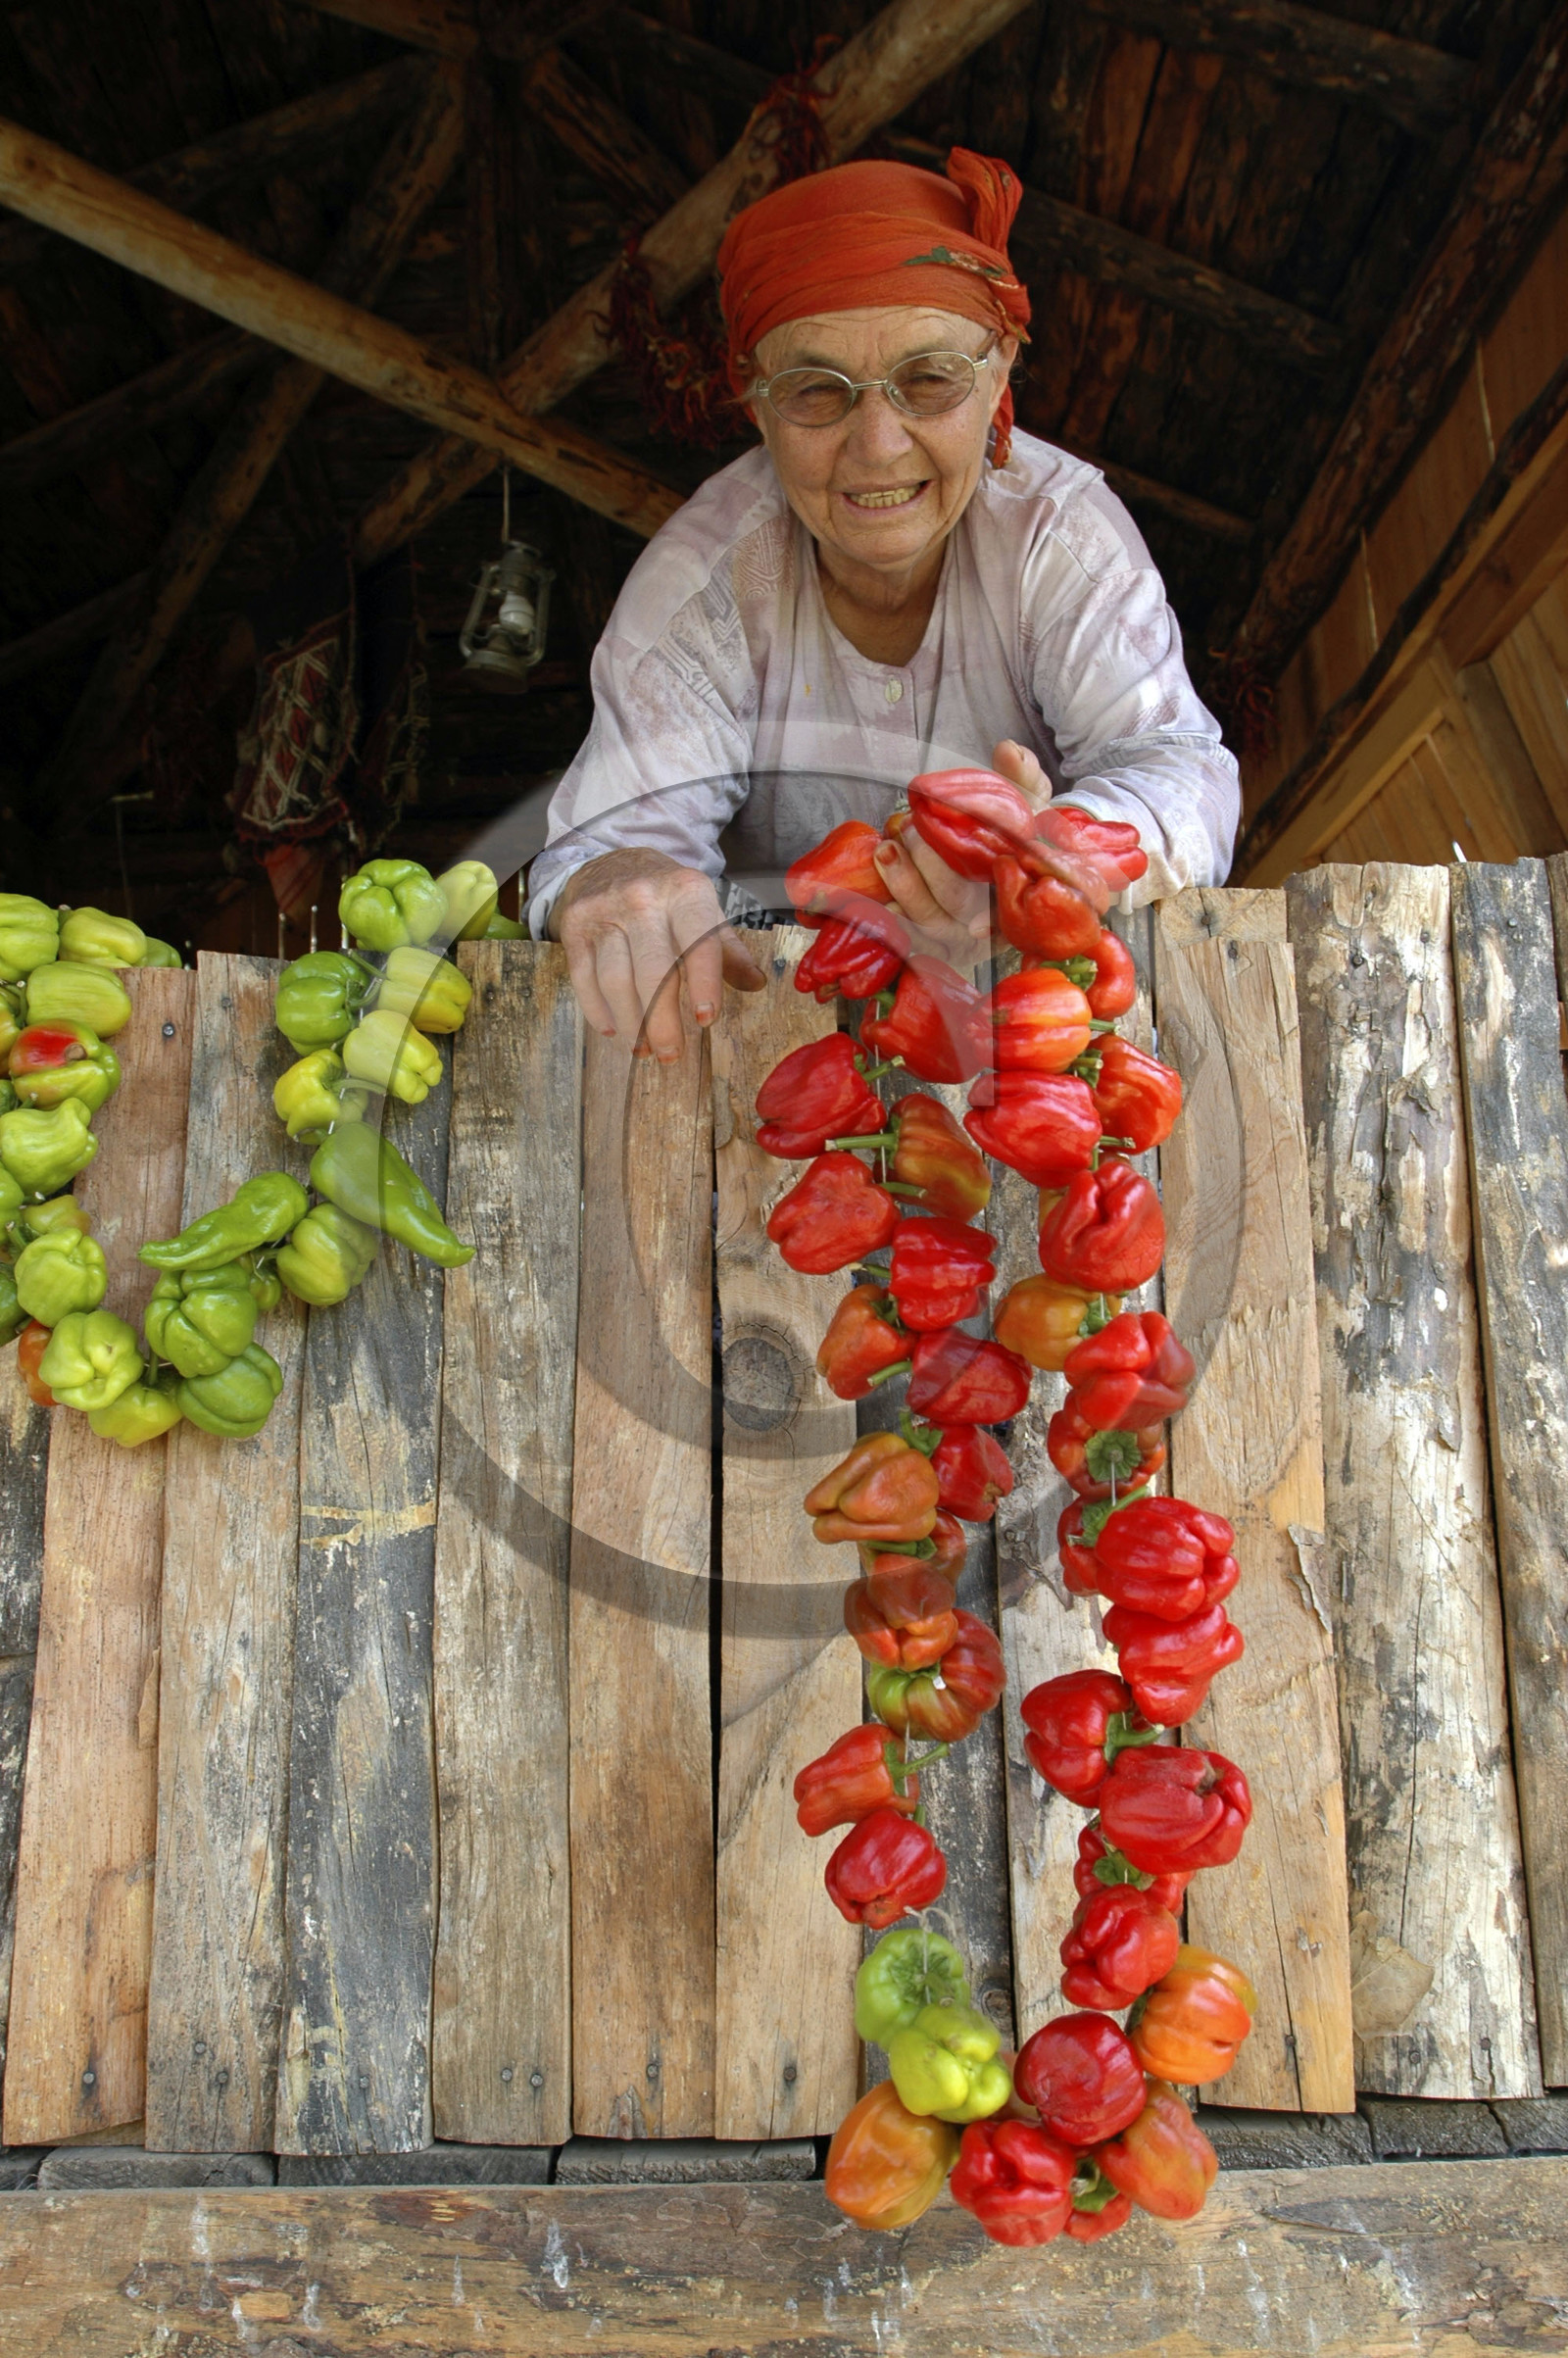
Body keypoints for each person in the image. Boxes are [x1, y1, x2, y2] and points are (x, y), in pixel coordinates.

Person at [529, 149, 1239, 1062]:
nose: (877, 446)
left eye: (930, 378)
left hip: (1043, 1041)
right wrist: (621, 875)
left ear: (1000, 371)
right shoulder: (700, 590)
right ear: (755, 402)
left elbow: (1183, 770)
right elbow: (618, 848)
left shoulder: (1058, 539)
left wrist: (1047, 856)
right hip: (777, 1049)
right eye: (814, 391)